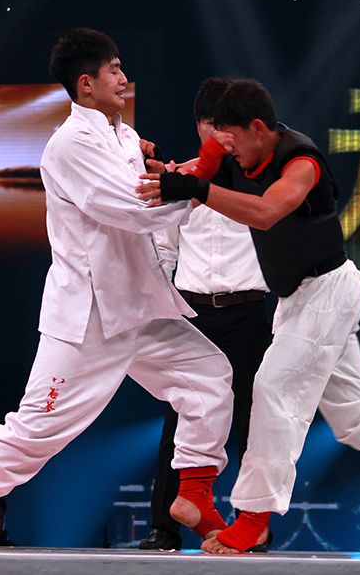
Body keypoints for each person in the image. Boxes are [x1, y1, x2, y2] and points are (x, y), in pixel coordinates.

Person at [140, 78, 360, 553]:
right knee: (356, 418)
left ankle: (253, 518)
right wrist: (158, 172)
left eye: (232, 141)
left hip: (329, 291)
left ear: (258, 128)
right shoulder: (230, 150)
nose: (226, 151)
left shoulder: (302, 162)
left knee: (271, 388)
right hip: (297, 301)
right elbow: (194, 177)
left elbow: (267, 212)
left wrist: (196, 188)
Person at [0, 28, 235, 549]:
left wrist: (180, 178)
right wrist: (200, 178)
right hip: (90, 316)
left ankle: (196, 495)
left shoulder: (124, 137)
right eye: (114, 70)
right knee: (37, 427)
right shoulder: (69, 145)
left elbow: (152, 202)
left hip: (141, 305)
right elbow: (135, 210)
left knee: (209, 377)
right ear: (86, 83)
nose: (124, 78)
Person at [139, 78, 274, 551]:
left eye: (225, 126)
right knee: (180, 417)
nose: (218, 135)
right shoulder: (176, 179)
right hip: (193, 312)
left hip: (248, 310)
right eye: (210, 124)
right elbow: (163, 249)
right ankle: (164, 525)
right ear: (198, 126)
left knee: (254, 424)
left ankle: (250, 526)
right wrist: (161, 309)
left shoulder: (259, 182)